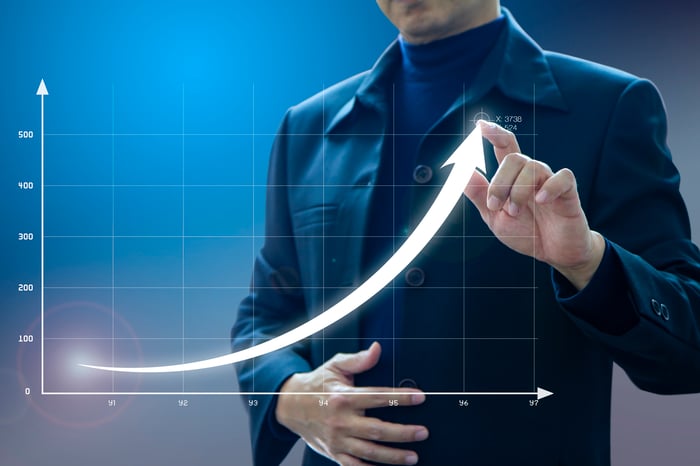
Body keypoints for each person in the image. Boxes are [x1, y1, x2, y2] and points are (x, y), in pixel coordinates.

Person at [232, 1, 700, 464]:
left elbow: (688, 343)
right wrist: (289, 394)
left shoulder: (606, 106)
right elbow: (265, 318)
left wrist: (586, 260)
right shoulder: (309, 128)